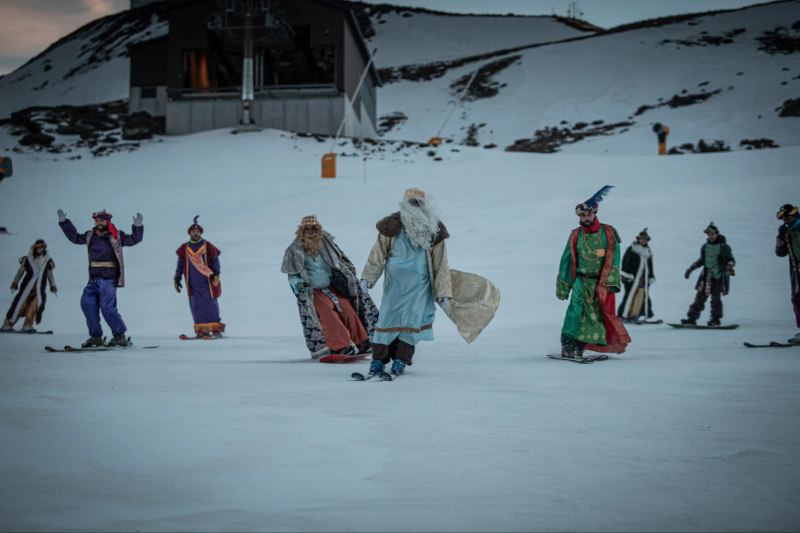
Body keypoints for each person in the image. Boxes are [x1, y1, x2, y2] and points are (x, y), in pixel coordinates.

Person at [361, 188, 453, 376]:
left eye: (418, 202)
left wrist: (442, 290)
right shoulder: (391, 225)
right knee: (387, 320)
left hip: (419, 285)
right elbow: (377, 254)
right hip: (394, 284)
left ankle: (401, 359)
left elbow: (441, 263)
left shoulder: (434, 228)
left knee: (411, 323)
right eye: (411, 202)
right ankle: (378, 360)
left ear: (424, 205)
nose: (414, 206)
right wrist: (368, 277)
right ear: (405, 204)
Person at [282, 215, 378, 359]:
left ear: (318, 229)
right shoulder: (294, 250)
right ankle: (341, 347)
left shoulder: (327, 244)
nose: (310, 231)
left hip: (331, 288)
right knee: (328, 313)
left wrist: (349, 273)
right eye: (307, 228)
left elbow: (342, 260)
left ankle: (362, 342)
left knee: (347, 310)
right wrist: (299, 284)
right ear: (301, 231)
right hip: (313, 291)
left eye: (313, 228)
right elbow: (292, 274)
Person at [556, 186, 630, 358]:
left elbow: (615, 257)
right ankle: (567, 345)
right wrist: (563, 287)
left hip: (600, 284)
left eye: (588, 215)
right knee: (575, 313)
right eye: (582, 216)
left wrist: (612, 281)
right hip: (581, 282)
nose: (585, 218)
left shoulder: (609, 233)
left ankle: (580, 347)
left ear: (595, 214)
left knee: (596, 316)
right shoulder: (575, 235)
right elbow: (566, 261)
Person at [58, 208, 143, 347]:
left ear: (107, 221)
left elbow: (134, 239)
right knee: (87, 303)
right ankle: (95, 336)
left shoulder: (116, 235)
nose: (98, 223)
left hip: (109, 278)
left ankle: (119, 335)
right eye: (96, 220)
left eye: (101, 220)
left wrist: (138, 226)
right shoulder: (90, 235)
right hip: (94, 278)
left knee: (107, 307)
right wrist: (64, 223)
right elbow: (75, 237)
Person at [174, 216, 225, 338]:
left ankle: (216, 330)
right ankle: (201, 331)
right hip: (192, 282)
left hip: (207, 281)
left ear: (200, 233)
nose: (195, 233)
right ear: (190, 233)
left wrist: (216, 274)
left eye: (197, 232)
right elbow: (180, 263)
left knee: (211, 305)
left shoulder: (207, 245)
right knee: (196, 306)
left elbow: (215, 260)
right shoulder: (184, 248)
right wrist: (177, 278)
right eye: (193, 232)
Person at [681, 222, 735, 327]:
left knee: (715, 300)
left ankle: (715, 320)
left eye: (712, 234)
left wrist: (730, 266)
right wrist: (691, 268)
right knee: (699, 298)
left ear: (716, 234)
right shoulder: (705, 247)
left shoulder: (724, 247)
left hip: (718, 277)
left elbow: (730, 259)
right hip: (706, 276)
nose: (710, 236)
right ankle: (691, 318)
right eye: (709, 235)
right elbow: (702, 260)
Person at [2, 239, 56, 333]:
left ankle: (28, 325)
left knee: (33, 306)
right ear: (35, 248)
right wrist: (15, 282)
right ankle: (8, 324)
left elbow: (50, 275)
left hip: (39, 289)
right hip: (26, 287)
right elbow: (20, 272)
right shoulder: (28, 259)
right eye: (39, 248)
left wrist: (53, 286)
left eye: (42, 248)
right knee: (19, 305)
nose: (41, 250)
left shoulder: (47, 261)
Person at [617, 228, 656, 323]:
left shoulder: (647, 251)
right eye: (641, 239)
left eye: (644, 239)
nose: (643, 241)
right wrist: (625, 275)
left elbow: (650, 266)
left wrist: (650, 276)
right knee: (630, 295)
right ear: (638, 239)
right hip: (631, 278)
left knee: (640, 296)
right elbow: (625, 262)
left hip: (643, 279)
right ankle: (624, 315)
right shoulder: (632, 249)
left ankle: (635, 315)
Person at [775, 204, 800, 344]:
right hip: (797, 270)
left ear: (795, 215)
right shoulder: (784, 230)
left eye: (788, 217)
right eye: (783, 218)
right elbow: (781, 253)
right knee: (797, 298)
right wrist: (780, 243)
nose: (785, 220)